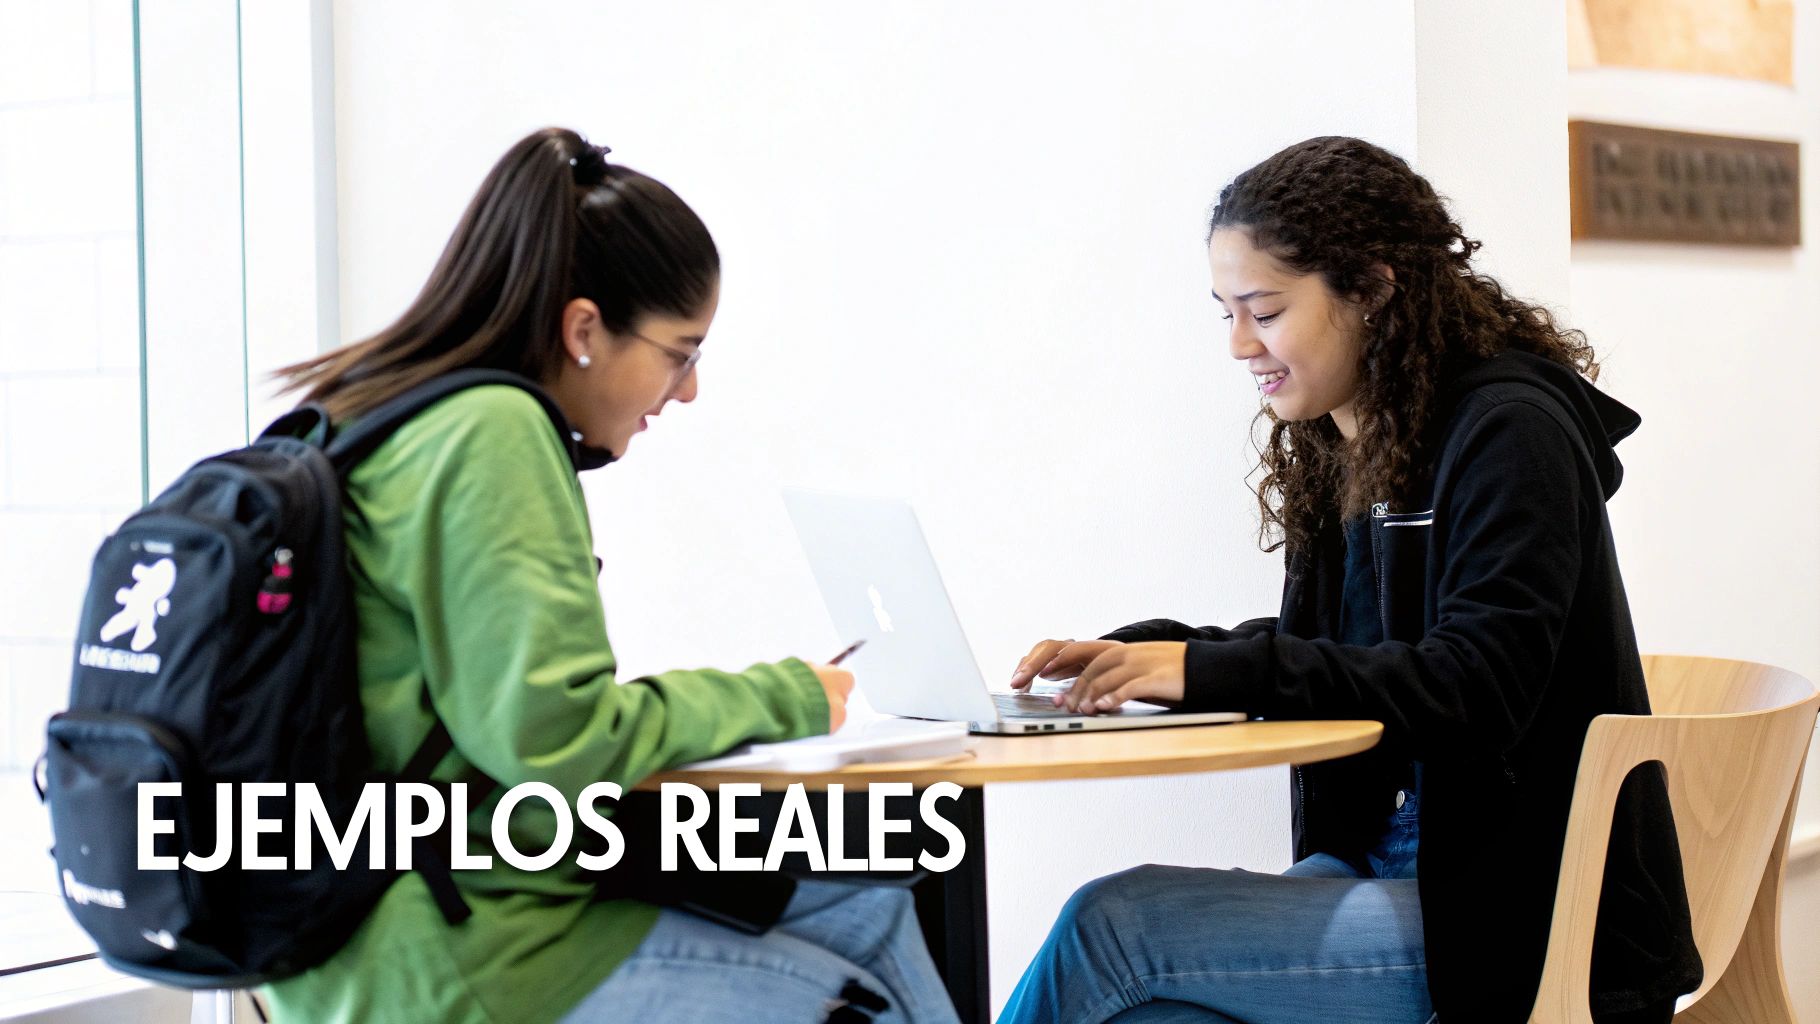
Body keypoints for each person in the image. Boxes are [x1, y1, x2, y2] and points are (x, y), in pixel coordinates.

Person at [261, 127, 957, 1024]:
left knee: (870, 909)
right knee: (864, 1004)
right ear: (584, 328)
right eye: (681, 352)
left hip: (383, 909)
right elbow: (561, 745)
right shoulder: (492, 431)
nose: (689, 390)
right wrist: (783, 694)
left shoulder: (377, 409)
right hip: (451, 948)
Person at [998, 137, 1701, 1024]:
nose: (1240, 345)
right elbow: (1336, 654)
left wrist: (1209, 671)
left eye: (1264, 308)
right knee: (1155, 1016)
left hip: (1521, 909)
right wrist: (1161, 655)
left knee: (1113, 924)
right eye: (1225, 312)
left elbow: (1474, 686)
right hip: (1393, 865)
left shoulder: (1512, 434)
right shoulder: (1347, 443)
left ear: (1371, 289)